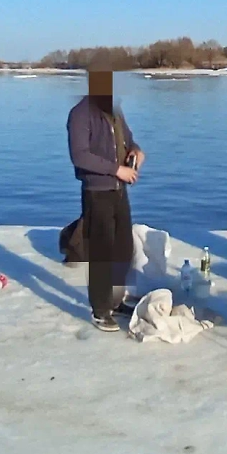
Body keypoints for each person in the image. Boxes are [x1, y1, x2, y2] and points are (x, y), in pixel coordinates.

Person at [67, 62, 144, 332]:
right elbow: (81, 156)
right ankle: (100, 310)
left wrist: (136, 151)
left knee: (123, 248)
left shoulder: (114, 111)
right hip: (97, 191)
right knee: (102, 251)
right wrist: (116, 169)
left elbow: (129, 140)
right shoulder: (80, 114)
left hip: (119, 190)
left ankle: (116, 300)